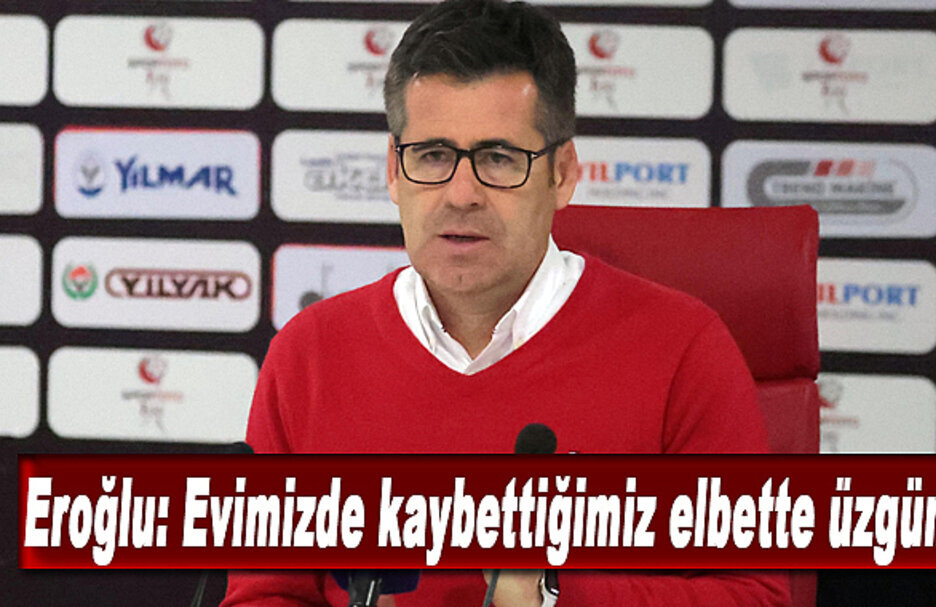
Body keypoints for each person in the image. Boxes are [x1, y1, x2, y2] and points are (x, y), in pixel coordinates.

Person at [223, 0, 789, 605]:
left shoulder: (682, 349)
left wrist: (554, 594)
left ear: (562, 173)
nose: (461, 194)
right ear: (393, 171)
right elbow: (263, 594)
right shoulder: (310, 354)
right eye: (433, 156)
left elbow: (753, 595)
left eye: (498, 158)